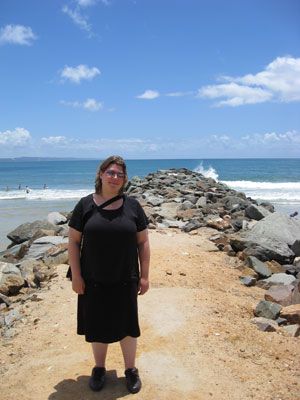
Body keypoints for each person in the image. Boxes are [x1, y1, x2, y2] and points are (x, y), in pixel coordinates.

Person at [68, 155, 150, 394]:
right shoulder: (84, 205)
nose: (115, 178)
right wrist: (76, 275)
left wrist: (144, 276)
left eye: (120, 174)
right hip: (93, 278)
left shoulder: (133, 206)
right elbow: (73, 242)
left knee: (127, 326)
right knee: (97, 324)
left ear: (124, 180)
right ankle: (99, 368)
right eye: (111, 173)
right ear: (101, 174)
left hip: (126, 276)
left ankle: (130, 370)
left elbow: (143, 243)